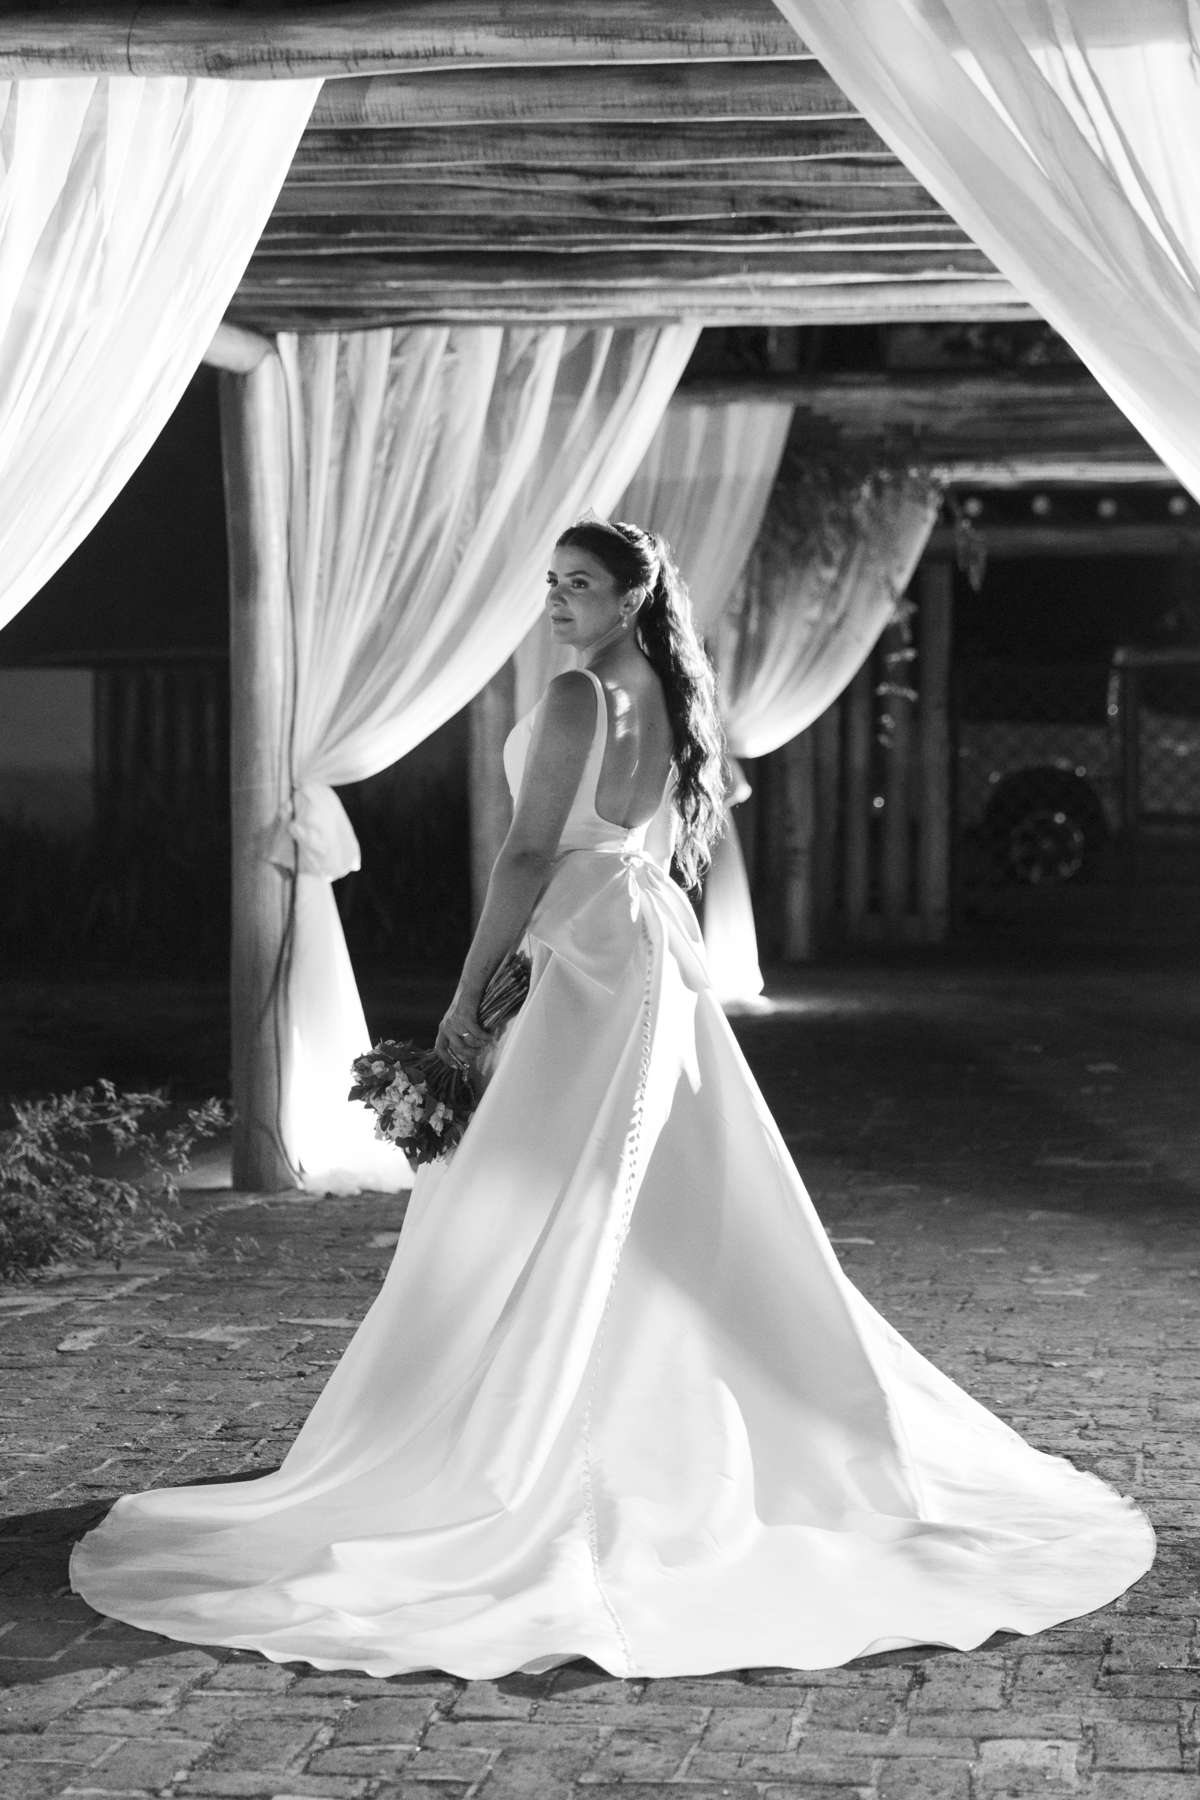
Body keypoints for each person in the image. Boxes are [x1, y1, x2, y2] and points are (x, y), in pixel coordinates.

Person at [71, 518, 1154, 1680]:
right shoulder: (674, 696)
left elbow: (527, 854)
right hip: (635, 944)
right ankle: (644, 1420)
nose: (556, 601)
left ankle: (531, 1441)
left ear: (631, 596)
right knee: (636, 1188)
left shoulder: (580, 695)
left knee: (542, 1187)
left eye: (578, 584)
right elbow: (648, 841)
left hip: (579, 949)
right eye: (550, 582)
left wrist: (465, 998)